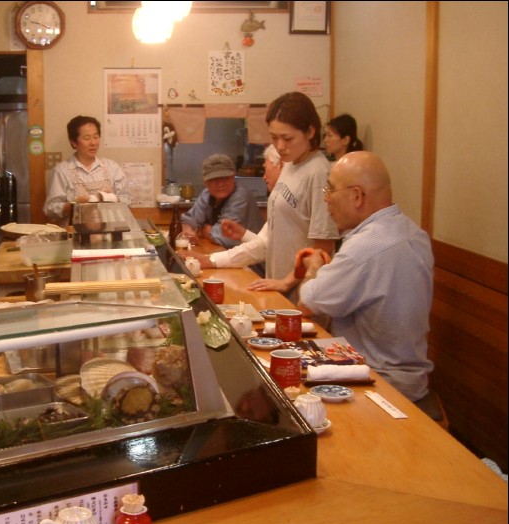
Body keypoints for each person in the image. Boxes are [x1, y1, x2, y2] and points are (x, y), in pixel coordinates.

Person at [296, 151, 434, 403]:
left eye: (331, 189)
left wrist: (314, 267)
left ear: (357, 196)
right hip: (414, 379)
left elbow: (309, 302)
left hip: (379, 381)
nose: (326, 199)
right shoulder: (414, 233)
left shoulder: (364, 247)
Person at [180, 92, 338, 303]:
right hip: (277, 286)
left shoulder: (318, 171)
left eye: (287, 138)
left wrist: (287, 281)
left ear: (310, 131)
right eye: (274, 138)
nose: (280, 146)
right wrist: (212, 260)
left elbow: (323, 247)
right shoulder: (290, 165)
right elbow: (267, 241)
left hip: (303, 293)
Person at [44, 115, 130, 227]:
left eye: (96, 136)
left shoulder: (112, 167)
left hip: (110, 235)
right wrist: (74, 206)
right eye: (87, 138)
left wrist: (111, 198)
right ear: (74, 142)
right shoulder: (61, 171)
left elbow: (127, 200)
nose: (93, 143)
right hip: (74, 237)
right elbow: (50, 208)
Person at [179, 154, 264, 249]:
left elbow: (223, 235)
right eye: (214, 179)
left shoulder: (241, 195)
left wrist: (201, 230)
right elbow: (189, 221)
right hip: (226, 255)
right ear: (205, 182)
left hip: (251, 260)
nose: (220, 184)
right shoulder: (207, 194)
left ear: (233, 176)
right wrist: (189, 229)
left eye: (225, 178)